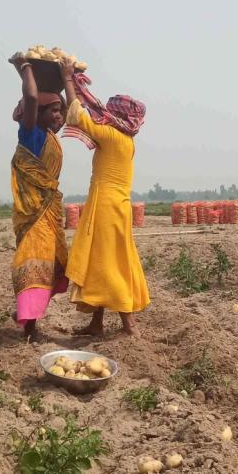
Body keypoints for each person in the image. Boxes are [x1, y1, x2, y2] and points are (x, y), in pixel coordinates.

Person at [59, 57, 150, 337]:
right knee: (103, 260)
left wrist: (66, 79)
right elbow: (89, 112)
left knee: (111, 262)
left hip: (107, 207)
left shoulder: (112, 136)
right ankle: (97, 323)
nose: (104, 114)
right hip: (115, 206)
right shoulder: (126, 139)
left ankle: (128, 324)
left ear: (117, 115)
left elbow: (78, 116)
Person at [3, 54, 70, 339]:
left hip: (49, 214)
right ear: (38, 114)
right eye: (52, 111)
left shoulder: (53, 136)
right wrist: (25, 68)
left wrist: (68, 77)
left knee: (51, 266)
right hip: (34, 215)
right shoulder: (31, 134)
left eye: (60, 111)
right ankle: (29, 324)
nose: (58, 116)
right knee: (32, 263)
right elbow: (31, 98)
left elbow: (71, 110)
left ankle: (29, 318)